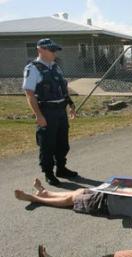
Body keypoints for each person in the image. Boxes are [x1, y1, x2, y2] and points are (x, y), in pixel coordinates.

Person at [14, 178, 132, 233]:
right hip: (112, 191)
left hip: (106, 204)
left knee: (71, 201)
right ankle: (45, 193)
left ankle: (36, 199)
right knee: (78, 192)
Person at [23, 38, 78, 186]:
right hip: (46, 111)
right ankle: (49, 173)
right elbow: (29, 93)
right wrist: (38, 115)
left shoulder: (55, 67)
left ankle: (61, 168)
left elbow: (63, 88)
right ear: (41, 50)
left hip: (60, 111)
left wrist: (71, 104)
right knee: (47, 145)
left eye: (55, 50)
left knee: (62, 143)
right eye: (51, 50)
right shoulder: (33, 69)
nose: (54, 53)